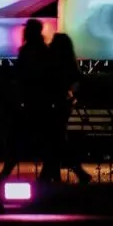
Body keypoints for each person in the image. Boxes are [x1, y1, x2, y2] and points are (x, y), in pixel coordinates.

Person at [0, 19, 51, 181]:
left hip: (31, 102)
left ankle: (6, 174)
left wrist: (4, 72)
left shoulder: (29, 50)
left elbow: (23, 73)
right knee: (41, 140)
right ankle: (49, 173)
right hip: (38, 101)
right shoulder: (42, 50)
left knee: (16, 139)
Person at [41, 33, 92, 183]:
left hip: (55, 105)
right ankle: (54, 176)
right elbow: (77, 80)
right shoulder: (69, 62)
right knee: (57, 141)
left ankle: (55, 176)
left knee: (56, 141)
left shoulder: (54, 62)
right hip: (63, 105)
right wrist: (71, 96)